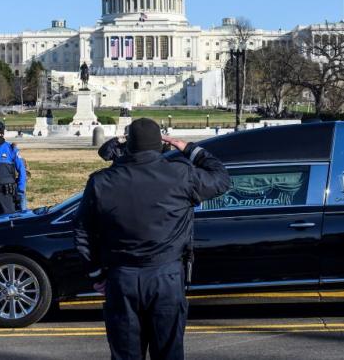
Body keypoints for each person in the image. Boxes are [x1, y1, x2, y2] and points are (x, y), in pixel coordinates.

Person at [73, 118, 230, 360]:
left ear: (129, 145)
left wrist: (96, 274)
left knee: (126, 354)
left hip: (121, 276)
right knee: (168, 352)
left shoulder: (102, 181)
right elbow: (220, 177)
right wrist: (188, 148)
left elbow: (83, 231)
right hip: (166, 275)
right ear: (160, 144)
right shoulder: (181, 174)